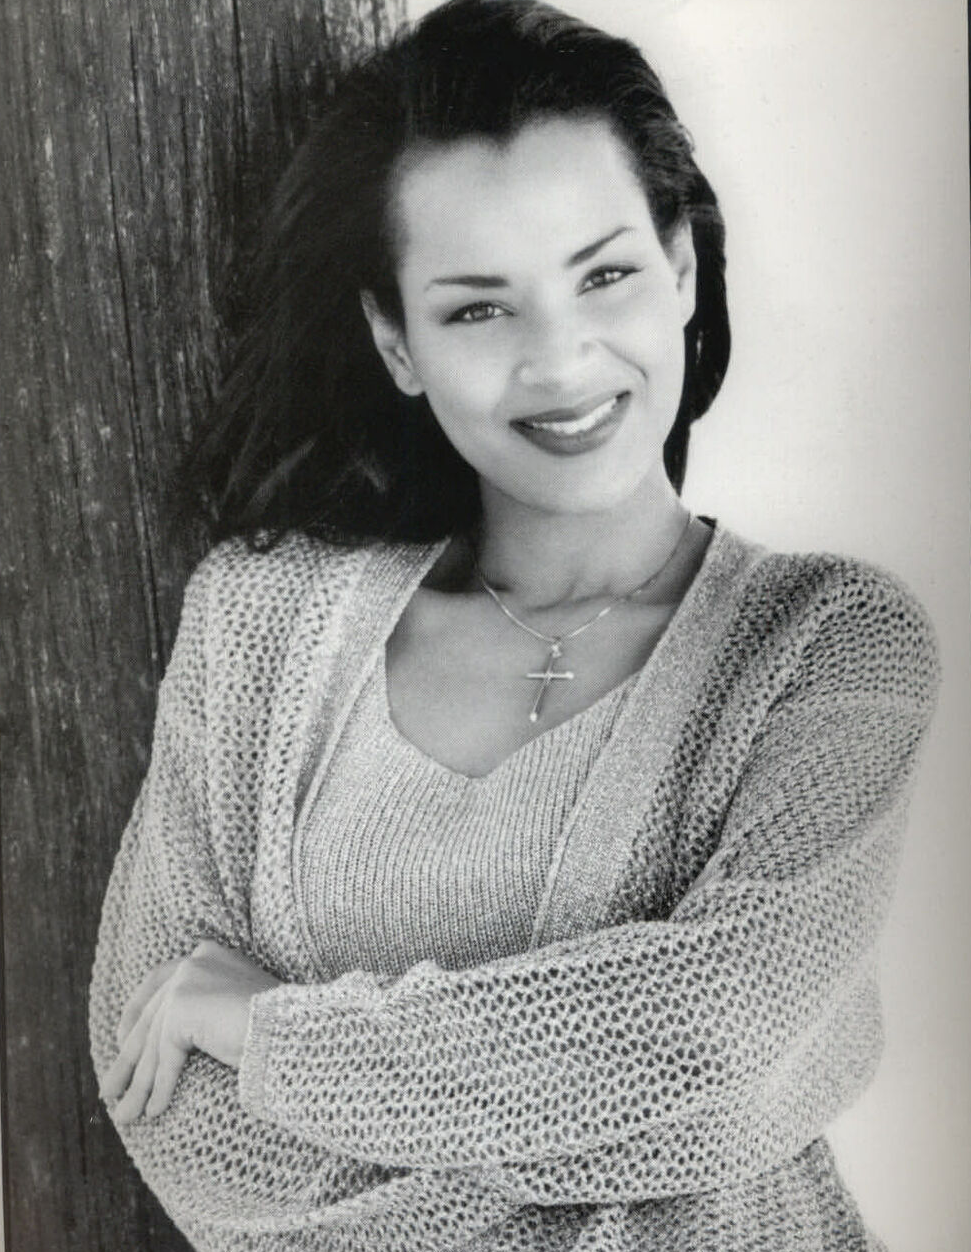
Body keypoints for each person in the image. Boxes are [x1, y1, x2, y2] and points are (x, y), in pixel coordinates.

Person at [89, 1, 940, 1248]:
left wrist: (280, 1035)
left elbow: (712, 1033)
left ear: (682, 275)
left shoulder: (827, 646)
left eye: (602, 274)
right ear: (397, 341)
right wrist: (624, 1118)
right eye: (479, 308)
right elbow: (174, 1105)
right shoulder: (259, 623)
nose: (560, 359)